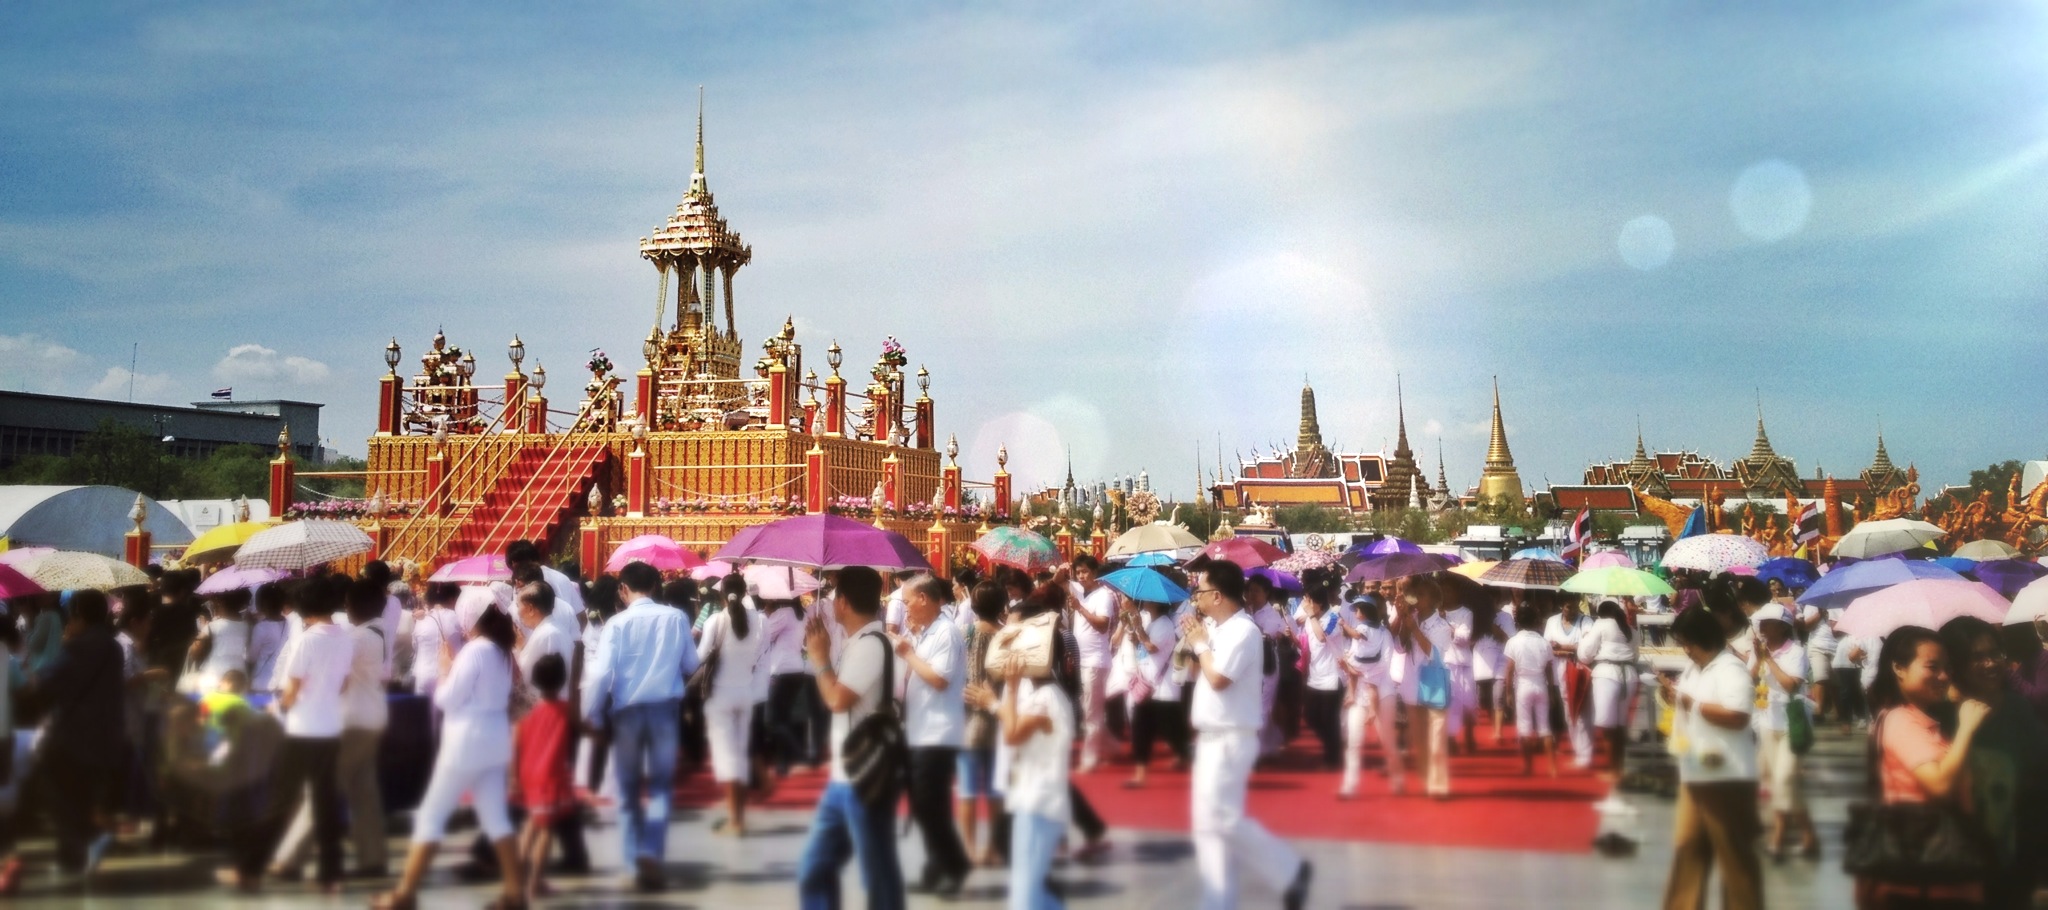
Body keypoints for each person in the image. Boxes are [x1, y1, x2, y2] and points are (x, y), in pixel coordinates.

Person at [373, 592, 526, 910]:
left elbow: (447, 700)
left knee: (431, 816)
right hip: (494, 738)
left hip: (466, 742)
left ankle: (405, 893)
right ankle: (514, 891)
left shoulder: (475, 652)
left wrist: (444, 669)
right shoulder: (500, 650)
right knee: (496, 817)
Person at [1178, 559, 1312, 910]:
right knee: (1212, 823)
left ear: (1218, 595)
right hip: (1212, 734)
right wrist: (1194, 644)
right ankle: (1279, 873)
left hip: (1231, 735)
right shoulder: (1216, 628)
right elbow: (1198, 674)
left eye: (1201, 591)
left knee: (1219, 821)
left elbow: (1220, 678)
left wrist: (1201, 646)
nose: (1198, 598)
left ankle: (1268, 877)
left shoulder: (1243, 631)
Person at [582, 561, 698, 892]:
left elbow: (602, 674)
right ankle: (652, 854)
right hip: (664, 708)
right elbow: (691, 663)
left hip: (627, 711)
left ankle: (632, 861)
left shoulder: (616, 624)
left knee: (629, 788)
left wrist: (591, 713)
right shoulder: (676, 619)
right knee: (661, 787)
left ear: (623, 589)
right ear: (657, 586)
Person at [796, 565, 906, 910]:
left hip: (864, 775)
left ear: (842, 602)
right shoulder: (857, 643)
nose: (830, 604)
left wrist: (819, 659)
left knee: (877, 872)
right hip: (848, 775)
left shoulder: (871, 645)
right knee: (815, 868)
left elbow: (837, 699)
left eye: (833, 597)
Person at [273, 578, 389, 879]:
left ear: (355, 608)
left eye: (348, 605)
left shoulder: (355, 639)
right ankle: (372, 856)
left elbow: (336, 681)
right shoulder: (378, 633)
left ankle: (289, 859)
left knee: (321, 793)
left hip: (351, 720)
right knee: (364, 791)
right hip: (373, 716)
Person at [1939, 616, 2047, 910]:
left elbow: (2040, 781)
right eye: (1977, 657)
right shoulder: (1941, 715)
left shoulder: (2017, 708)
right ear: (1956, 663)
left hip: (2017, 856)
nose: (1990, 664)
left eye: (1994, 654)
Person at [1658, 604, 1761, 910]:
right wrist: (1672, 696)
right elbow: (1688, 700)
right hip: (1696, 771)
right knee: (1688, 847)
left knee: (1734, 857)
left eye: (1687, 642)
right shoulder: (1695, 667)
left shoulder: (1731, 669)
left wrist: (1692, 703)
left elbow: (1739, 716)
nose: (1685, 649)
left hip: (1727, 776)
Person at [23, 589, 127, 877]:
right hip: (104, 735)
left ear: (78, 615)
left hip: (72, 735)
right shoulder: (113, 646)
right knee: (85, 795)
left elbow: (48, 684)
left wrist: (67, 643)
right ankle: (86, 845)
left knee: (64, 797)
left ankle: (73, 857)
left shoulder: (78, 647)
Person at [262, 577, 353, 893]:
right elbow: (344, 683)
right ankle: (331, 875)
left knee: (280, 797)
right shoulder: (344, 636)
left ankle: (251, 865)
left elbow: (292, 689)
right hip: (329, 727)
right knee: (325, 801)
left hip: (302, 729)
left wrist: (280, 709)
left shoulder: (307, 640)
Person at [894, 575, 971, 894]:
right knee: (924, 805)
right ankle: (938, 863)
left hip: (938, 732)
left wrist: (908, 654)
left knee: (929, 803)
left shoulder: (947, 632)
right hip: (920, 729)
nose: (906, 608)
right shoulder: (926, 633)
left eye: (908, 601)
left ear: (924, 599)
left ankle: (952, 864)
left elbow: (939, 680)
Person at [998, 654, 1072, 910]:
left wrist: (1011, 687)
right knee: (1032, 887)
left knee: (1025, 892)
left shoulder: (1046, 698)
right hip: (1038, 797)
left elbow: (1011, 735)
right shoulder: (1051, 695)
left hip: (1038, 800)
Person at [1749, 603, 1817, 861]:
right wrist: (1757, 659)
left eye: (1768, 623)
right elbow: (1751, 680)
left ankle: (1778, 837)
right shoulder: (1761, 650)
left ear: (1782, 626)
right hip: (1767, 721)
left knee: (1784, 779)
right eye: (1761, 623)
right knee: (1781, 783)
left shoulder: (1796, 652)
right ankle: (1808, 834)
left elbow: (1790, 685)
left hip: (1792, 723)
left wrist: (1768, 659)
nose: (1762, 627)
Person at [699, 574, 763, 836]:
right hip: (745, 691)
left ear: (722, 595)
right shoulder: (759, 620)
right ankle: (738, 816)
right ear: (745, 592)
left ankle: (735, 820)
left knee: (727, 758)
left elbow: (700, 656)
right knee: (739, 753)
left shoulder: (716, 621)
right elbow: (760, 653)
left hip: (721, 695)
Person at [515, 653, 574, 904]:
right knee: (546, 830)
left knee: (530, 824)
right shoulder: (565, 710)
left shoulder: (531, 711)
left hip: (529, 774)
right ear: (562, 681)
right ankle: (534, 883)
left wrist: (512, 775)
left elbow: (516, 740)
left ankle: (514, 877)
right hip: (550, 775)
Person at [957, 581, 1007, 866]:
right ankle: (992, 848)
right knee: (995, 789)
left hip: (968, 718)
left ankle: (969, 848)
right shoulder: (1007, 635)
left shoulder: (964, 633)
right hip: (997, 715)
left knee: (967, 789)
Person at [1120, 592, 1185, 788]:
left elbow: (1151, 647)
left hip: (1163, 689)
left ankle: (1185, 755)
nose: (1142, 601)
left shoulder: (1164, 624)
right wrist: (1134, 626)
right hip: (1149, 686)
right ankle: (1140, 774)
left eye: (1146, 598)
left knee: (1173, 732)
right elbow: (1140, 643)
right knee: (1142, 730)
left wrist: (1139, 627)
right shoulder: (1151, 621)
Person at [1338, 595, 1401, 796]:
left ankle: (1397, 778)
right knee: (1353, 740)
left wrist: (1364, 675)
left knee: (1387, 740)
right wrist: (1348, 667)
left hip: (1382, 691)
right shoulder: (1358, 633)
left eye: (1360, 610)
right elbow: (1351, 658)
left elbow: (1385, 662)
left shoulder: (1384, 634)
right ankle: (1350, 785)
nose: (1357, 614)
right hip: (1358, 694)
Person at [1577, 599, 1640, 781]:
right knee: (1620, 724)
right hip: (1628, 674)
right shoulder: (1631, 630)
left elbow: (1584, 654)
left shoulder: (1601, 624)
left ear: (1601, 613)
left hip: (1606, 674)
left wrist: (1585, 638)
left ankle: (1613, 771)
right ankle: (1619, 767)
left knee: (1607, 725)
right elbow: (1635, 657)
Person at [1067, 554, 1115, 773]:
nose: (1082, 576)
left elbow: (1103, 625)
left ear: (1095, 572)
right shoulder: (1079, 591)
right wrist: (1063, 569)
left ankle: (1090, 757)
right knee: (1092, 708)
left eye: (1085, 571)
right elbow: (1059, 580)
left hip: (1095, 661)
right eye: (1078, 572)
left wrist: (1080, 609)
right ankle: (1110, 746)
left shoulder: (1103, 595)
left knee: (1090, 712)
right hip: (1083, 660)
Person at [1503, 603, 1559, 777]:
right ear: (1536, 621)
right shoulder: (1544, 643)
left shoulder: (1513, 641)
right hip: (1541, 683)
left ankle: (1528, 767)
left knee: (1525, 728)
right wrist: (1550, 692)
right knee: (1545, 727)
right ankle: (1552, 767)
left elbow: (1509, 670)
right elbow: (1549, 670)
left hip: (1523, 686)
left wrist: (1508, 693)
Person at [1297, 573, 1345, 770]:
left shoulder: (1333, 617)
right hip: (1314, 676)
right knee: (1311, 716)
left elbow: (1322, 637)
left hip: (1332, 677)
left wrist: (1311, 616)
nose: (1306, 604)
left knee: (1330, 719)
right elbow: (1306, 643)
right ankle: (1334, 746)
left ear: (1318, 602)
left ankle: (1333, 756)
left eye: (1309, 601)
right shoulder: (1310, 619)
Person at [1543, 593, 1596, 769]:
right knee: (1569, 713)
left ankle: (1585, 753)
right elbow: (1547, 647)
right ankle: (1580, 750)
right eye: (1568, 606)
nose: (1571, 610)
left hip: (1579, 672)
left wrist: (1561, 647)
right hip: (1559, 673)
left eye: (1574, 605)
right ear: (1561, 607)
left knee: (1581, 712)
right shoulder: (1552, 621)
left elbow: (1587, 645)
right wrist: (1566, 651)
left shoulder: (1586, 621)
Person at [189, 592, 251, 694]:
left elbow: (194, 653)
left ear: (221, 603)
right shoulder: (248, 627)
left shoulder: (213, 626)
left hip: (212, 676)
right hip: (239, 677)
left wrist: (201, 633)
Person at [410, 583, 464, 697]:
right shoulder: (457, 617)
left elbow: (415, 646)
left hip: (423, 674)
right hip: (450, 674)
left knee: (423, 713)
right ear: (453, 599)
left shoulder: (421, 619)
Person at [248, 585, 289, 693]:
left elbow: (252, 657)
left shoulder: (261, 628)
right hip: (282, 681)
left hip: (261, 681)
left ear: (261, 604)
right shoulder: (289, 623)